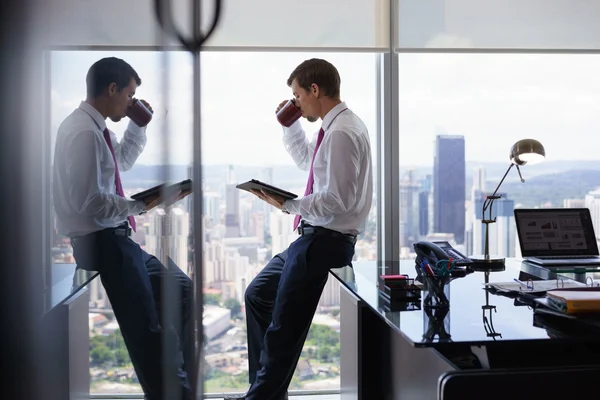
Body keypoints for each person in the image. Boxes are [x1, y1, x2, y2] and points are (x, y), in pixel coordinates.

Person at [227, 58, 373, 400]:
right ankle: (264, 392)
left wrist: (287, 204)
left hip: (325, 241)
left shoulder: (343, 133)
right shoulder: (334, 129)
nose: (295, 102)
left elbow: (337, 199)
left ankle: (259, 397)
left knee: (284, 329)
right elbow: (312, 163)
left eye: (296, 95)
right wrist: (290, 126)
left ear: (314, 90)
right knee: (258, 295)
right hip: (313, 236)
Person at [53, 57, 193, 400]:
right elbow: (87, 201)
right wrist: (142, 205)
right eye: (130, 95)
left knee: (180, 289)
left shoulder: (97, 128)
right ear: (112, 89)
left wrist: (139, 124)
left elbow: (123, 161)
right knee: (146, 331)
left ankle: (181, 382)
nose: (132, 103)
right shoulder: (83, 132)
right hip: (101, 242)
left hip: (116, 238)